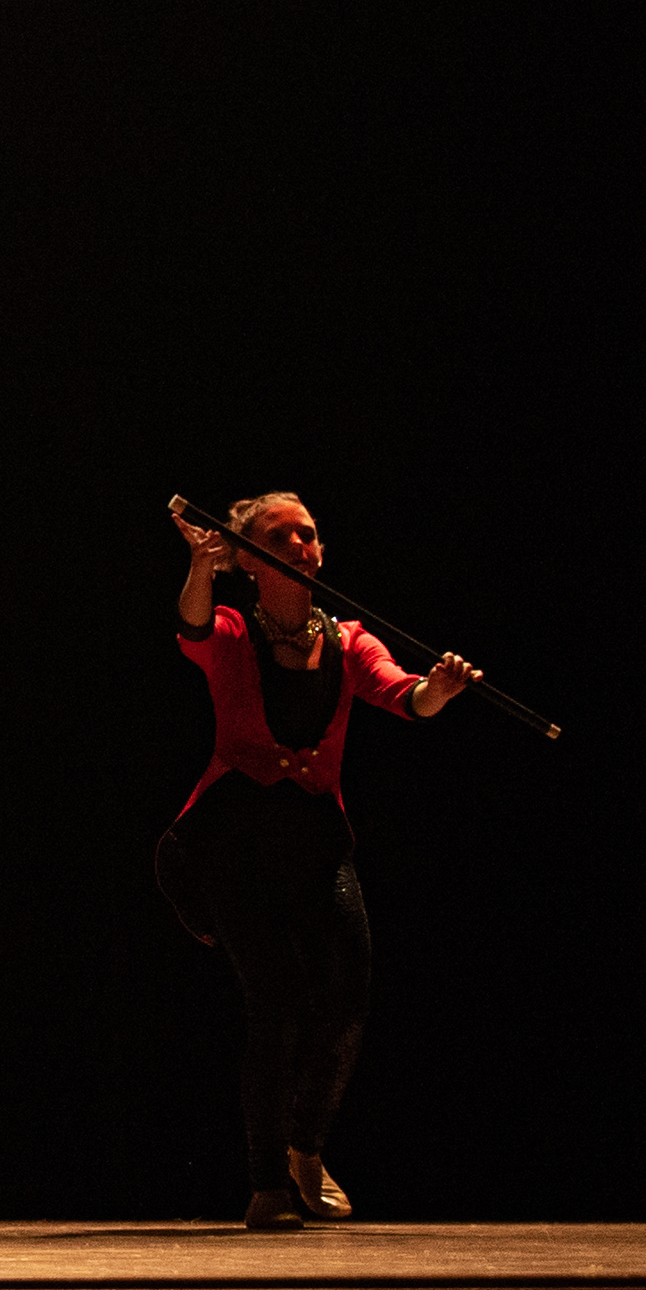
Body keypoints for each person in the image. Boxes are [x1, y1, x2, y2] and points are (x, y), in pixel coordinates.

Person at [165, 494, 479, 1227]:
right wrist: (200, 568)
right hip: (236, 842)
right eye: (280, 537)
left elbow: (404, 695)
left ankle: (305, 1146)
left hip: (313, 840)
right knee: (274, 999)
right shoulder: (233, 630)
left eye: (308, 535)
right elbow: (192, 625)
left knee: (346, 996)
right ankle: (266, 1185)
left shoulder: (349, 641)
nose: (300, 545)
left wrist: (437, 690)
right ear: (250, 560)